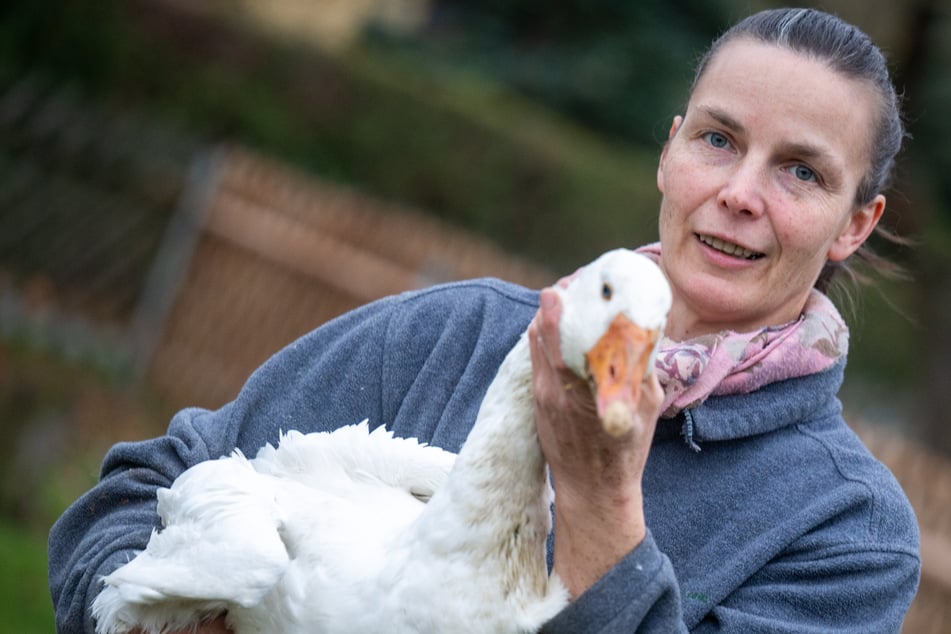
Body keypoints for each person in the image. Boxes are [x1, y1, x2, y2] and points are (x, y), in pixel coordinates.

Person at [50, 7, 920, 633]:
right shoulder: (446, 335)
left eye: (800, 172)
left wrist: (600, 500)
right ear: (668, 150)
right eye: (718, 140)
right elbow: (142, 491)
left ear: (854, 223)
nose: (738, 194)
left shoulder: (846, 532)